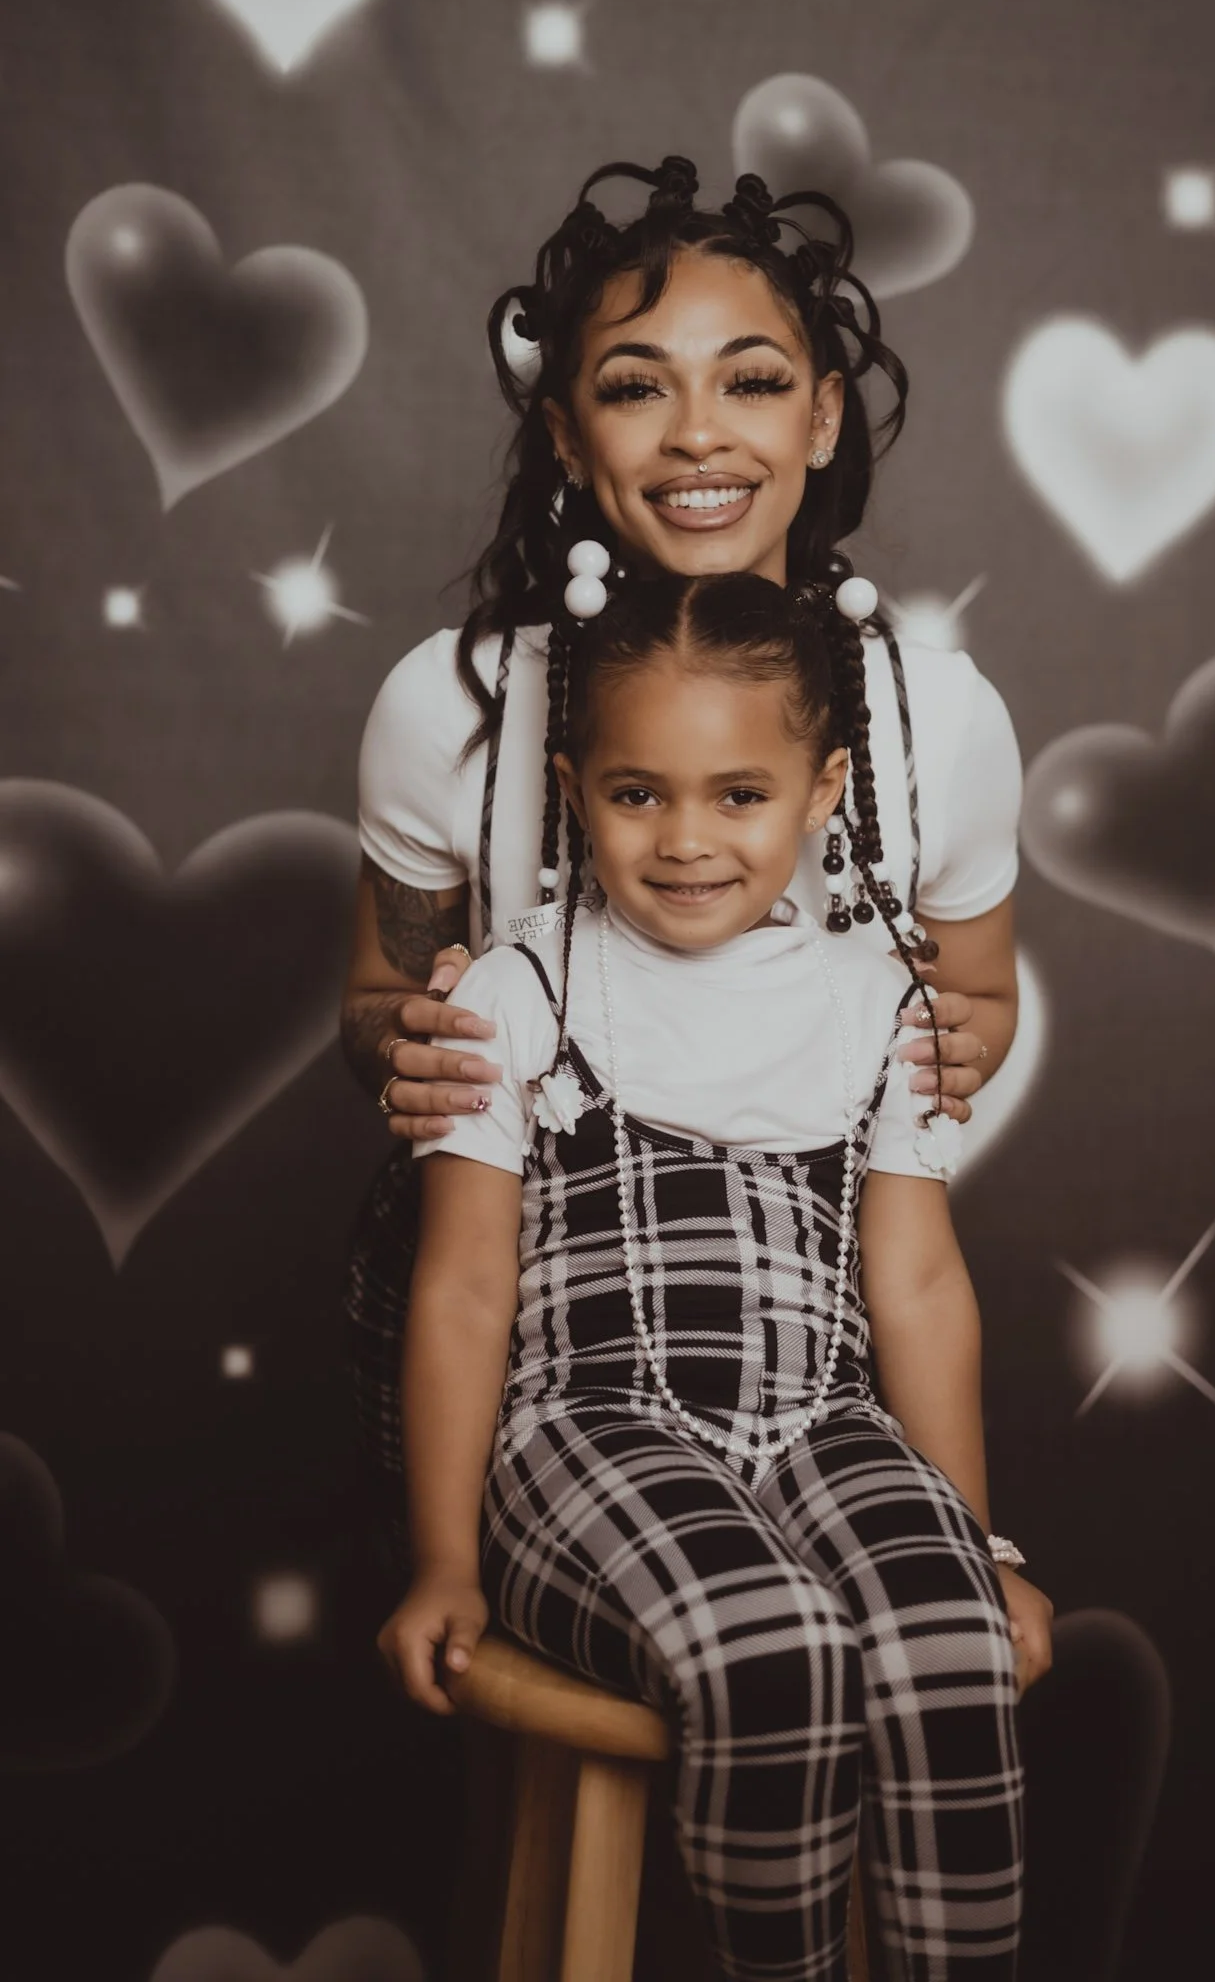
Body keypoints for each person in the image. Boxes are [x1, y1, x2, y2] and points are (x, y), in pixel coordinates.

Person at [379, 570, 1052, 1981]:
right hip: (594, 1430)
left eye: (739, 796)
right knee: (775, 1649)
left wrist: (977, 1542)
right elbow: (459, 1293)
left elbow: (919, 1288)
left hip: (823, 1425)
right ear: (573, 790)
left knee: (944, 1642)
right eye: (639, 795)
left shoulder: (884, 1008)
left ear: (822, 797)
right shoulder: (517, 992)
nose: (687, 841)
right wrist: (443, 1554)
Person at [343, 154, 1022, 1541]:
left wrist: (960, 1044)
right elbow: (372, 1000)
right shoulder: (449, 703)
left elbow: (983, 995)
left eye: (755, 381)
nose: (699, 435)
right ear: (567, 434)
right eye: (638, 384)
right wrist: (410, 1042)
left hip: (834, 1347)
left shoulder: (937, 717)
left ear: (825, 417)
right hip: (532, 1355)